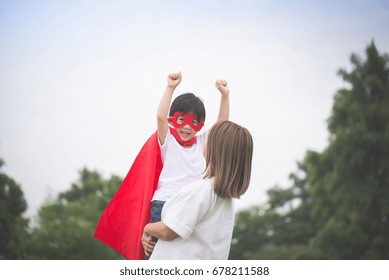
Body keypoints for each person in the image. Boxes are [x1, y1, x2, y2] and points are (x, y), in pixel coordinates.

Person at [94, 72, 229, 260]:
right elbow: (160, 117)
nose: (187, 127)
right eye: (182, 120)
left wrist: (224, 95)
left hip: (191, 204)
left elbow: (222, 125)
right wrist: (170, 87)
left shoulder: (203, 142)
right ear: (173, 119)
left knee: (183, 253)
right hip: (165, 203)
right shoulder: (169, 140)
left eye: (194, 122)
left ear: (201, 125)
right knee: (157, 255)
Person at [141, 120, 253, 260]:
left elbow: (167, 231)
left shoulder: (201, 191)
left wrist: (147, 228)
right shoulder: (225, 198)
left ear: (214, 147)